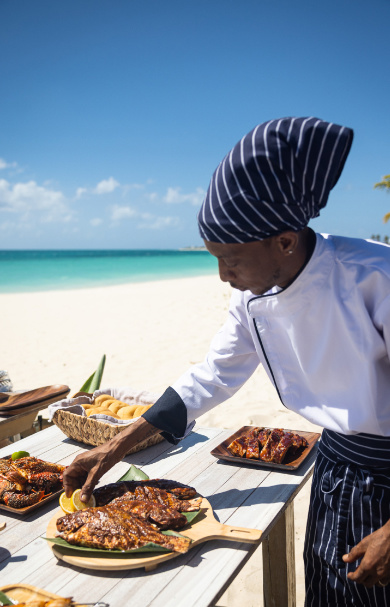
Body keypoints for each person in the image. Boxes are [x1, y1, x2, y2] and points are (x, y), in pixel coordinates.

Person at [63, 117, 390, 606]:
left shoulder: (375, 278)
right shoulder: (253, 295)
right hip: (335, 467)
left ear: (284, 240)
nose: (223, 276)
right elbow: (212, 377)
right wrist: (112, 450)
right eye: (213, 258)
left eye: (231, 259)